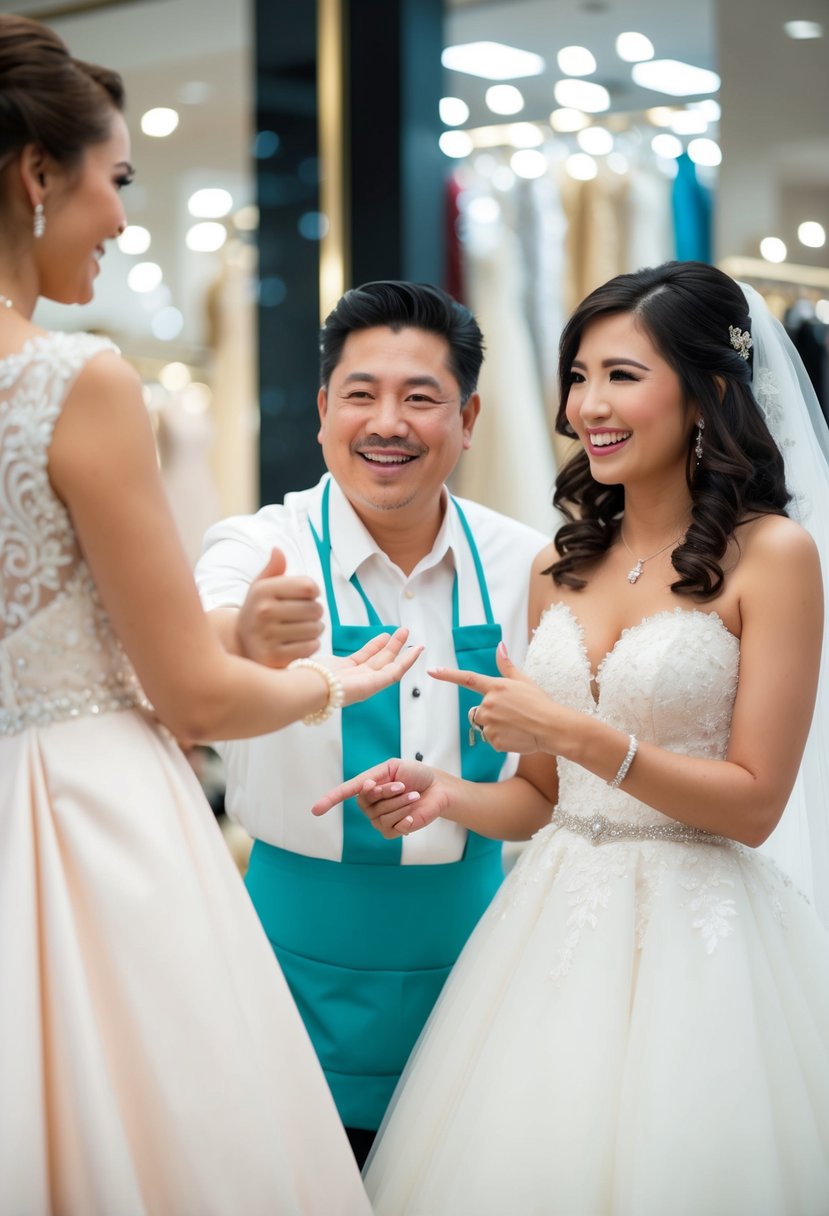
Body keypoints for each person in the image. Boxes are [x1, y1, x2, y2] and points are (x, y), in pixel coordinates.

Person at [0, 16, 422, 1214]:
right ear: (39, 175)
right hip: (82, 821)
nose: (124, 221)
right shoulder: (70, 379)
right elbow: (192, 695)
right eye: (113, 180)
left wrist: (225, 638)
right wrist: (336, 678)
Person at [313, 262, 829, 1214]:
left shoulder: (775, 557)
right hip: (551, 929)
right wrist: (445, 794)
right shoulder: (564, 560)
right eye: (579, 375)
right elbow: (543, 796)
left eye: (622, 376)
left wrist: (583, 736)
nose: (588, 404)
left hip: (702, 941)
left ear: (707, 390)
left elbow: (755, 803)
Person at [194, 279, 549, 1162]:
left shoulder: (524, 566)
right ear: (322, 411)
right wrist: (242, 634)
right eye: (361, 394)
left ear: (468, 420)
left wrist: (457, 798)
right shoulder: (257, 546)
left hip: (475, 955)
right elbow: (195, 646)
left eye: (420, 398)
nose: (387, 422)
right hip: (284, 958)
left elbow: (545, 793)